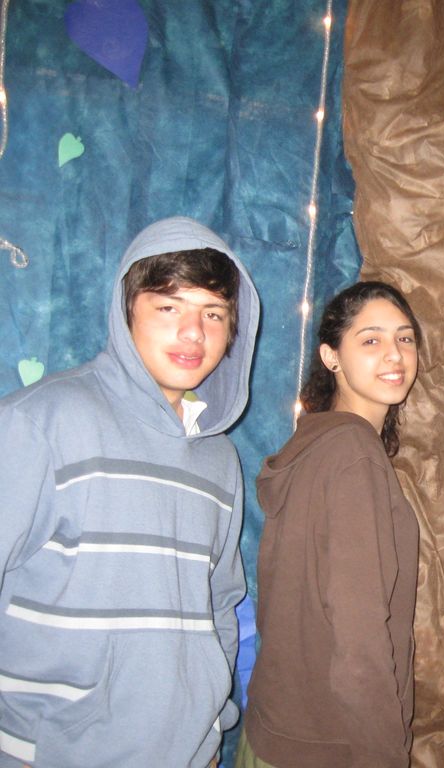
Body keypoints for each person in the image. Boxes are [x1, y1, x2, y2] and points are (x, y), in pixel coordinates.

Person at [0, 217, 260, 766]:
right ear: (126, 310)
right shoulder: (38, 423)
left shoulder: (218, 458)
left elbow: (219, 605)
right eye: (169, 307)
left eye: (213, 313)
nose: (194, 333)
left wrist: (212, 723)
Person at [237, 281, 420, 768]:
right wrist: (385, 757)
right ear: (331, 356)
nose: (394, 354)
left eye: (405, 338)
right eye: (371, 339)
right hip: (329, 746)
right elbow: (360, 638)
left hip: (277, 730)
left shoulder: (315, 445)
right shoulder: (353, 456)